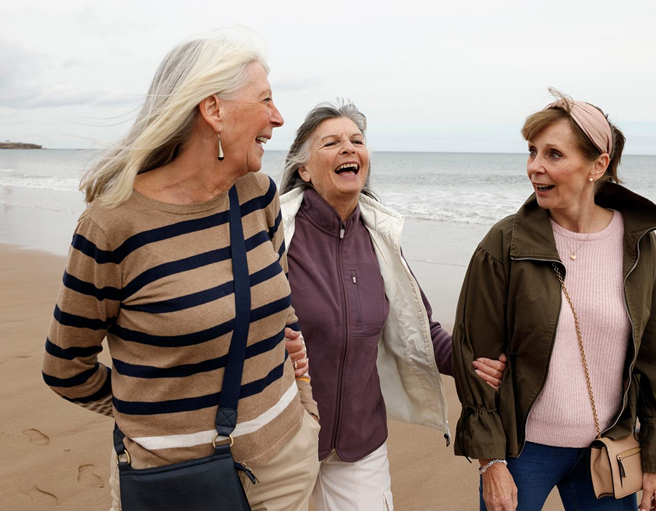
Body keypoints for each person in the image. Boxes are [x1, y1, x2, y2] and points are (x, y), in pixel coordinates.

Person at [41, 29, 320, 511]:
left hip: (288, 462)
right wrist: (150, 422)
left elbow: (279, 300)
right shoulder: (113, 224)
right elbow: (65, 368)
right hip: (177, 484)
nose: (277, 117)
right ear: (213, 111)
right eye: (266, 100)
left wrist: (303, 398)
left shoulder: (258, 194)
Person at [452, 90, 656, 511]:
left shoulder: (639, 246)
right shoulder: (504, 243)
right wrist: (490, 461)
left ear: (598, 165)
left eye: (553, 154)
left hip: (608, 449)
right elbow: (475, 354)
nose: (534, 167)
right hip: (522, 449)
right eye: (532, 152)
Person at [279, 101, 506, 510]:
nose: (349, 148)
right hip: (283, 438)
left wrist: (477, 362)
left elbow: (423, 332)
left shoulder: (382, 240)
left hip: (359, 441)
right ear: (304, 169)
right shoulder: (275, 234)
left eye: (357, 141)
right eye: (331, 142)